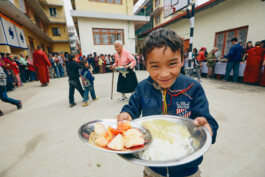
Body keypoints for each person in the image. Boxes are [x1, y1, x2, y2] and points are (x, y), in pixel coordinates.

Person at [116, 28, 218, 177]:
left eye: (172, 64)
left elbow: (208, 122)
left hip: (187, 169)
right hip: (153, 166)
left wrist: (207, 129)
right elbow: (132, 107)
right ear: (146, 65)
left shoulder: (193, 88)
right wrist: (126, 114)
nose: (164, 74)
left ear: (182, 60)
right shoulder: (143, 87)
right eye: (155, 66)